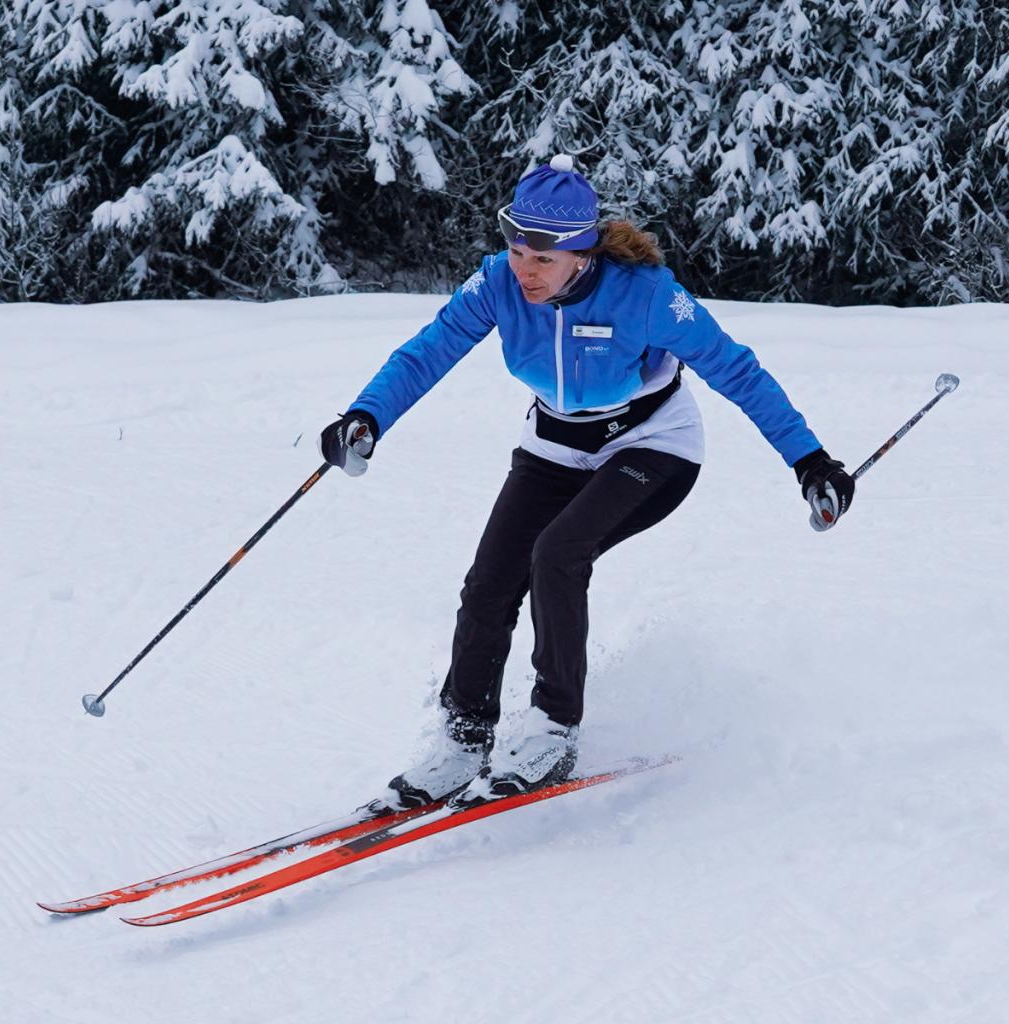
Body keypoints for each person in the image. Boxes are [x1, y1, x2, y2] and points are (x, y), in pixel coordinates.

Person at [319, 155, 855, 811]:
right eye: (517, 250)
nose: (525, 269)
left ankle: (553, 728)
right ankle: (463, 736)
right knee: (490, 580)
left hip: (652, 447)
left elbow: (735, 369)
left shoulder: (647, 293)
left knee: (558, 552)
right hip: (553, 444)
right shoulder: (497, 283)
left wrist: (809, 460)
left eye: (543, 259)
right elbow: (430, 350)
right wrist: (366, 416)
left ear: (582, 253)